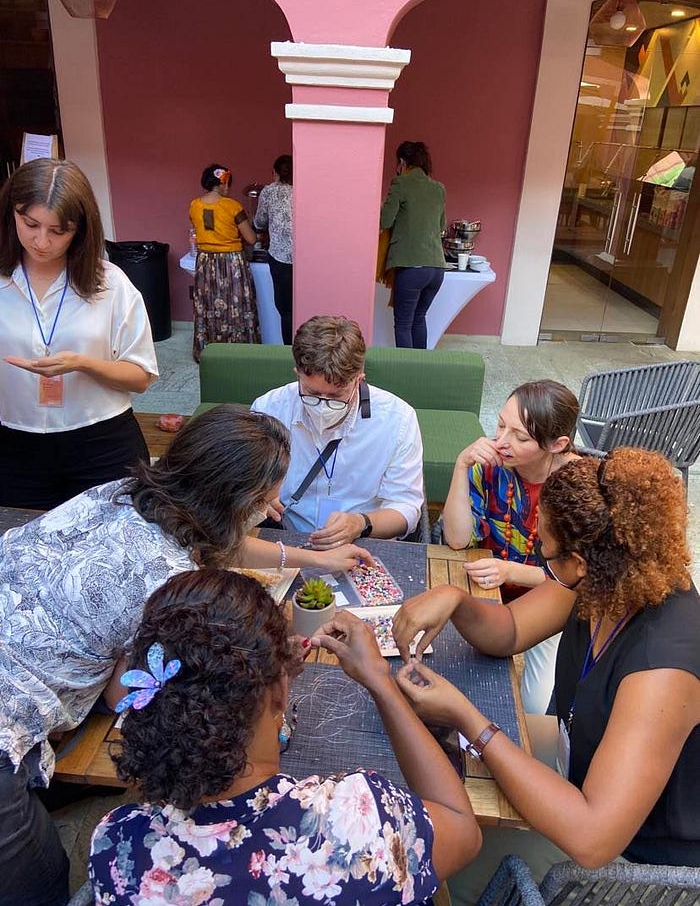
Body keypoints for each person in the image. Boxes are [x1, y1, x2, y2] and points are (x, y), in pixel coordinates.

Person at [0, 405, 373, 905]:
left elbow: (216, 543)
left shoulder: (118, 493)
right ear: (236, 502)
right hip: (7, 729)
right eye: (267, 498)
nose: (273, 507)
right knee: (42, 879)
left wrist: (312, 558)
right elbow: (123, 694)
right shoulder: (167, 579)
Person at [392, 449, 700, 904]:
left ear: (580, 562)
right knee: (424, 775)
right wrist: (454, 598)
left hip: (627, 864)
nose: (541, 557)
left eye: (548, 553)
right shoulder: (607, 577)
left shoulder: (664, 667)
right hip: (577, 765)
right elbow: (510, 630)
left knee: (429, 850)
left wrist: (468, 720)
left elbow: (593, 839)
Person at [89, 570, 481, 904]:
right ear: (278, 692)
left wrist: (271, 682)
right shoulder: (359, 824)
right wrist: (381, 682)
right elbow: (463, 829)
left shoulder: (115, 845)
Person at [0, 157, 158, 510]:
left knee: (113, 548)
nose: (42, 241)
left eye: (59, 231)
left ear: (81, 229)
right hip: (13, 445)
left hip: (101, 443)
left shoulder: (109, 283)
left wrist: (82, 363)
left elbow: (141, 376)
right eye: (30, 224)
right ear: (12, 214)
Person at [441, 380, 579, 714]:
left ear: (557, 444)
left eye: (520, 436)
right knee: (453, 671)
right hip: (487, 588)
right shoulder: (488, 464)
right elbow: (457, 539)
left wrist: (511, 571)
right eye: (501, 425)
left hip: (549, 601)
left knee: (536, 706)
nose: (501, 442)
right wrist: (461, 467)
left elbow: (577, 579)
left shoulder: (578, 486)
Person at [251, 315, 424, 546]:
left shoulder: (398, 419)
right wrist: (256, 500)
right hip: (285, 537)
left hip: (362, 541)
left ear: (359, 380)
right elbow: (242, 486)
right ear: (297, 373)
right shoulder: (268, 409)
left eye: (336, 396)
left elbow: (406, 508)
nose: (323, 407)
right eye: (311, 394)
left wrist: (360, 523)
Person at [188, 163, 259, 362]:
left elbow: (201, 227)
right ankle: (239, 350)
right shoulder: (233, 206)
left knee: (208, 305)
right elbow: (251, 239)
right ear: (224, 182)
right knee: (235, 305)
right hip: (231, 262)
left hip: (205, 261)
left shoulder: (194, 205)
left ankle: (208, 350)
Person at [380, 141, 446, 349]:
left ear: (402, 162)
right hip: (437, 268)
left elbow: (384, 221)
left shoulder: (401, 183)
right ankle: (421, 371)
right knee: (419, 319)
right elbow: (441, 225)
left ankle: (405, 375)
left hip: (412, 267)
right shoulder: (438, 188)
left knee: (403, 324)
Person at [254, 154, 294, 344]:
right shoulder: (304, 189)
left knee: (286, 310)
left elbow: (260, 222)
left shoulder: (269, 191)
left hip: (279, 257)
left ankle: (288, 351)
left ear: (275, 173)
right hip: (305, 258)